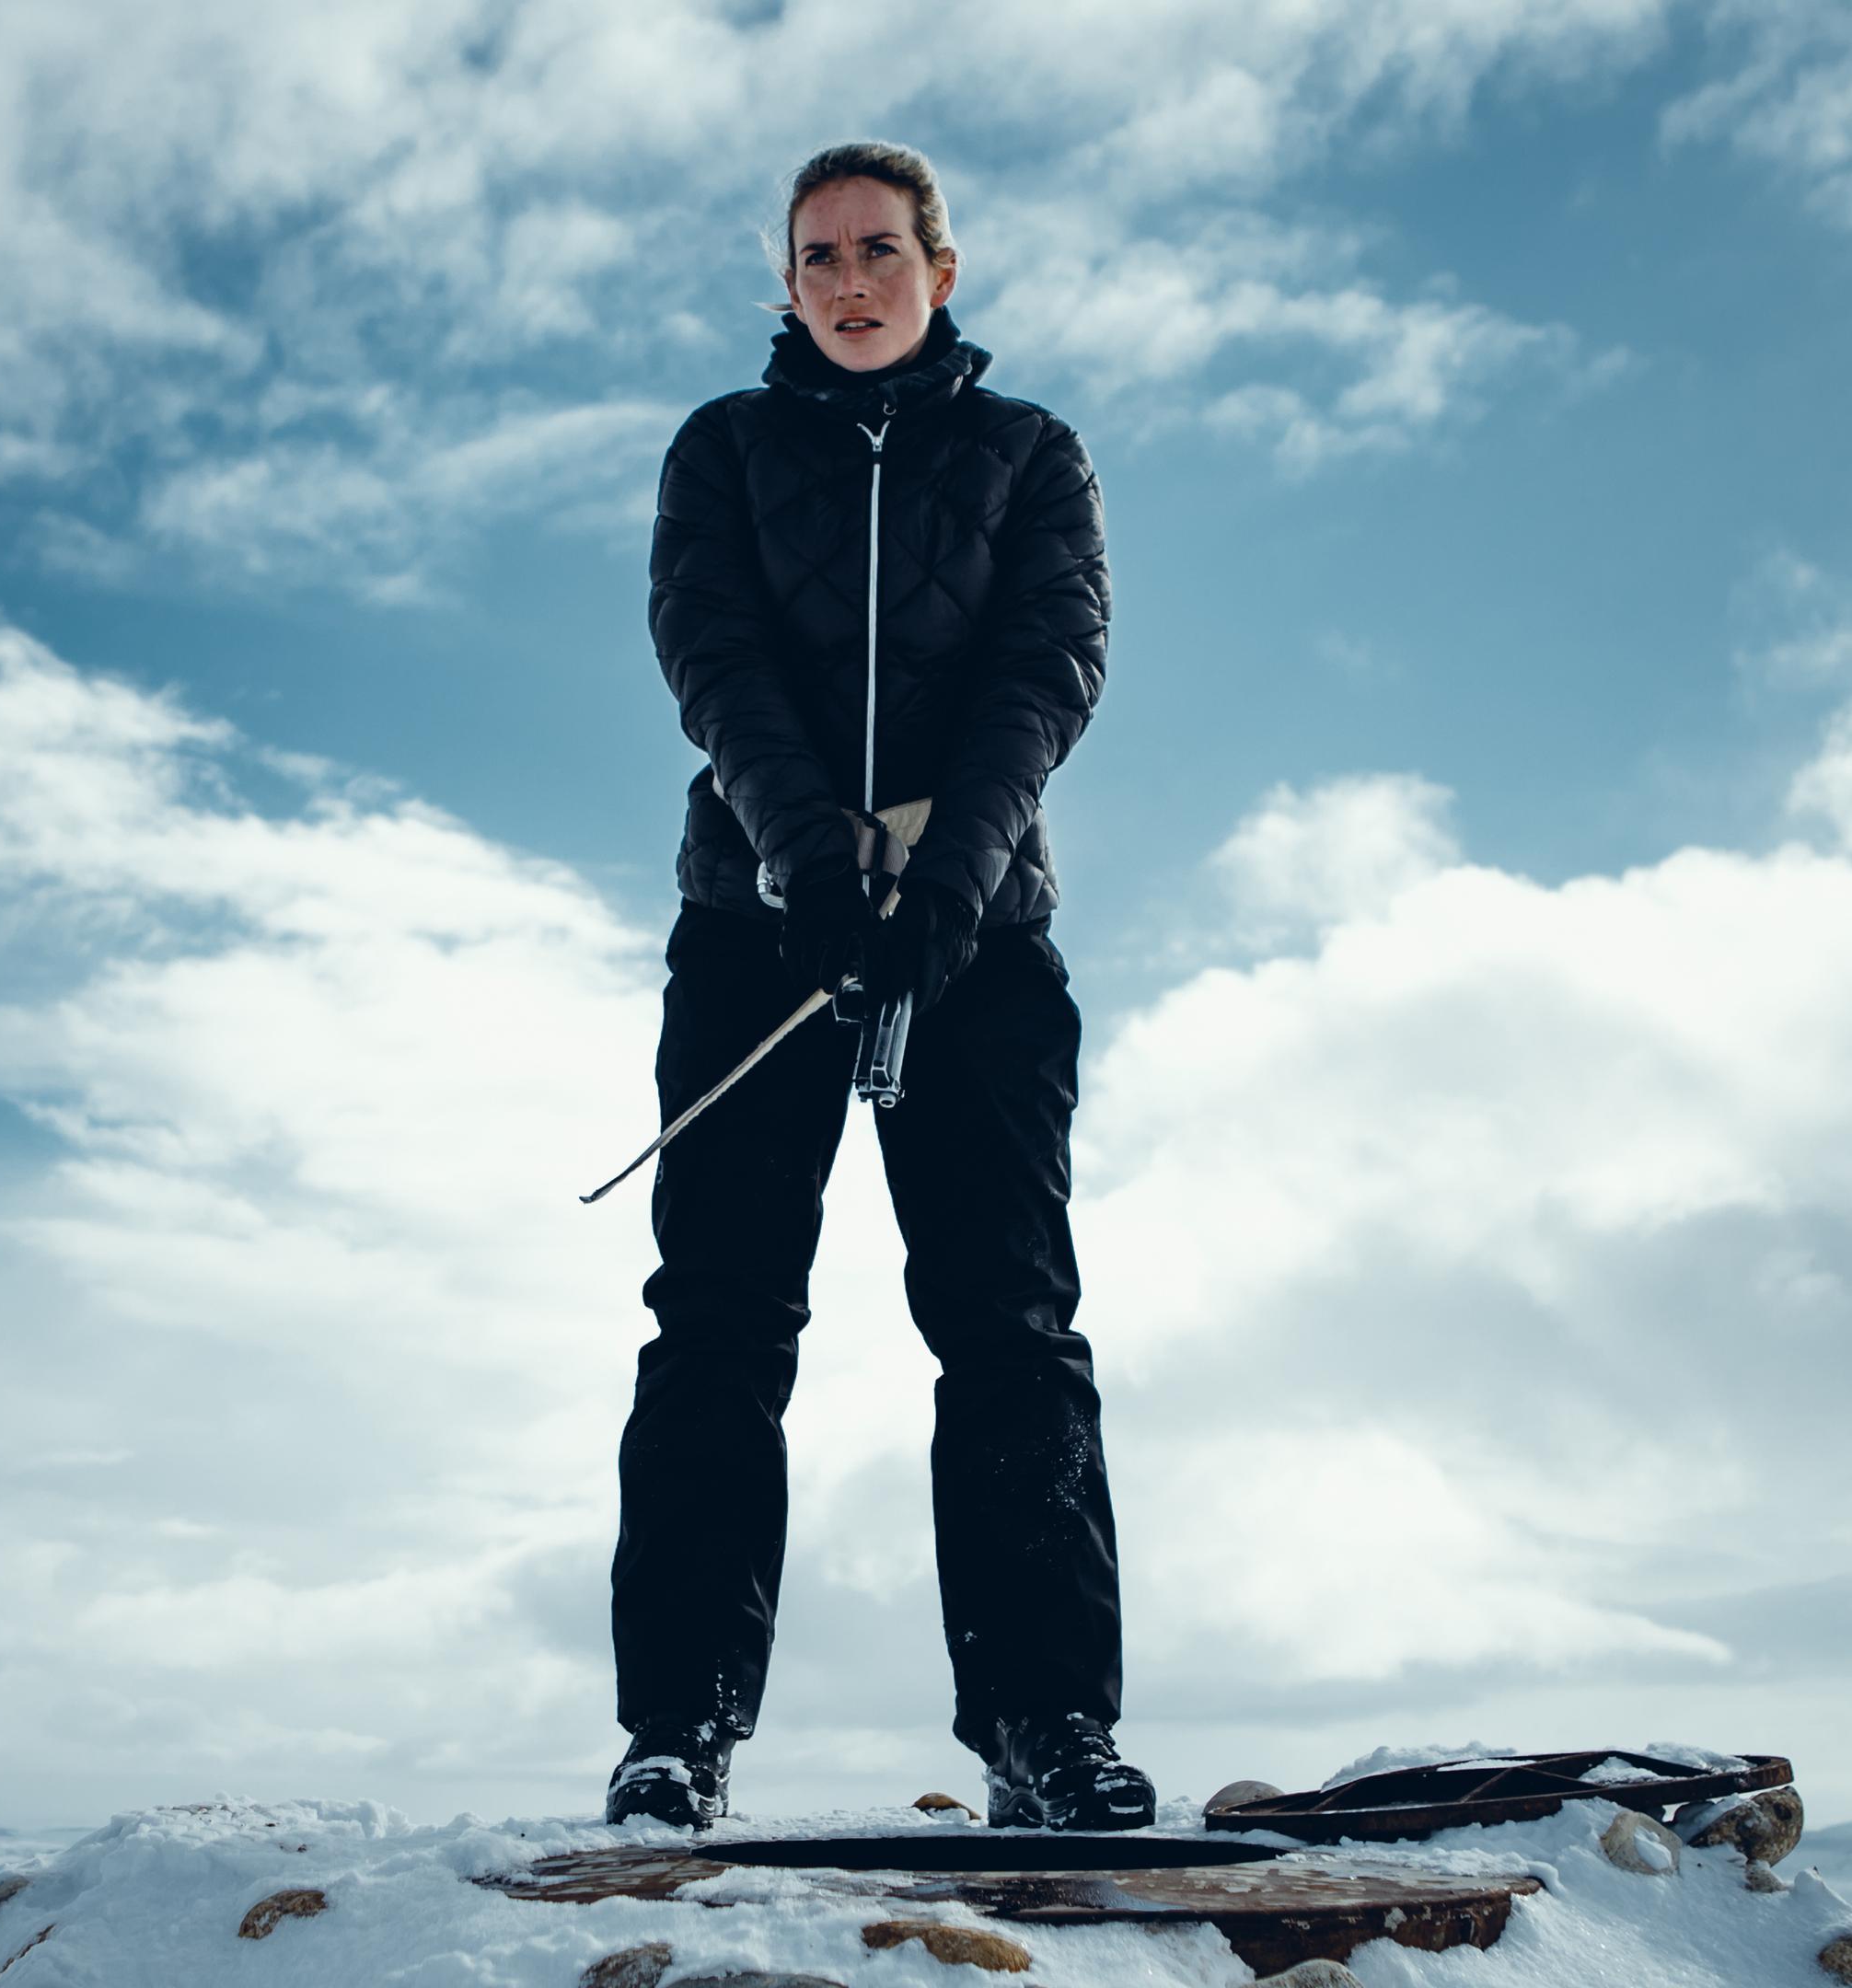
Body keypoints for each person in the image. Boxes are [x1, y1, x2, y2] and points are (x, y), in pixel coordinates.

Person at [606, 141, 1149, 1832]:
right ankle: (676, 1735)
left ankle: (1046, 1729)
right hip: (756, 927)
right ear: (787, 281)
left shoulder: (1029, 455)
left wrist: (951, 881)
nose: (850, 279)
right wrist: (810, 862)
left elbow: (1046, 665)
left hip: (978, 943)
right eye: (818, 254)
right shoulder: (725, 449)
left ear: (941, 268)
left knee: (1011, 1331)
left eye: (879, 251)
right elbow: (712, 653)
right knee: (717, 1326)